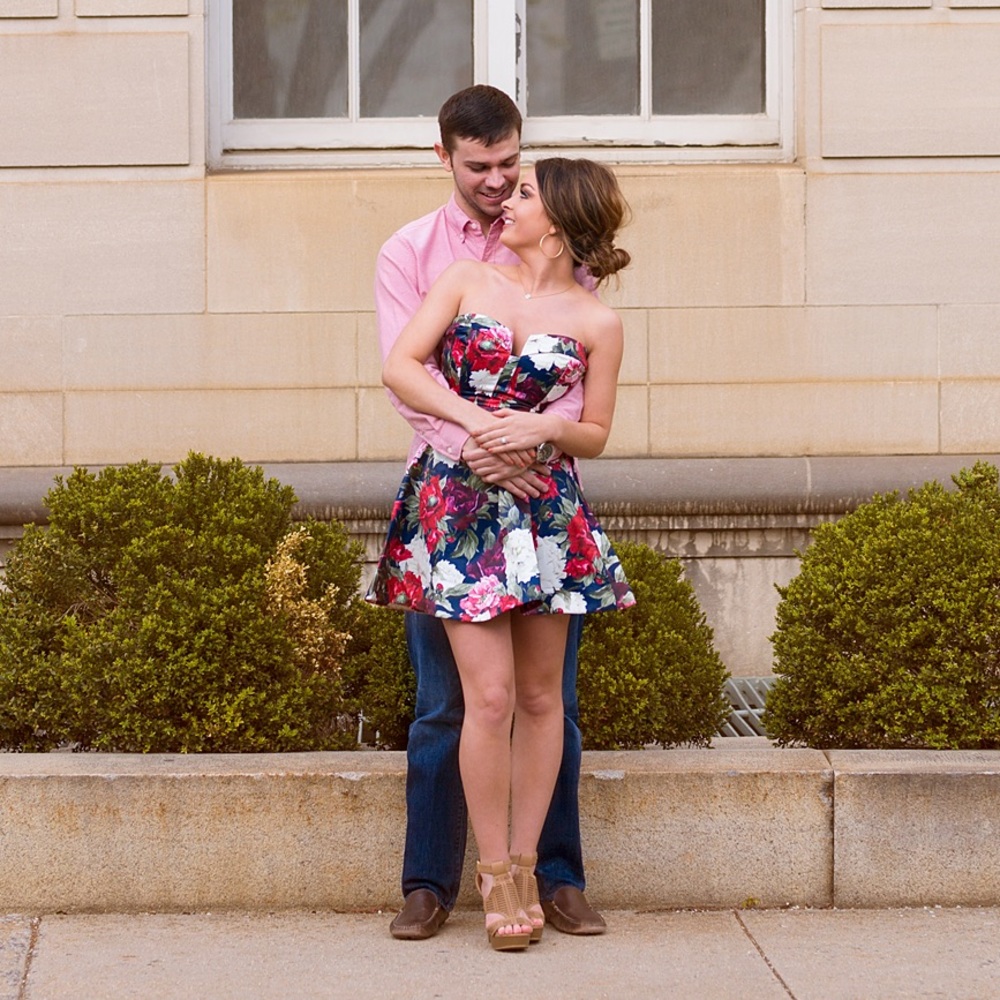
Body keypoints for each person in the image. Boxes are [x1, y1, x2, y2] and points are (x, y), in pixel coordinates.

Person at [368, 155, 635, 951]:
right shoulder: (462, 279)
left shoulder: (598, 322)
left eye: (523, 192)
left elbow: (596, 432)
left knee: (543, 699)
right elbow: (399, 367)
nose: (506, 201)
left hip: (546, 511)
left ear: (558, 221)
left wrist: (547, 427)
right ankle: (492, 872)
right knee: (486, 699)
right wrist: (477, 427)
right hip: (457, 507)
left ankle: (528, 863)